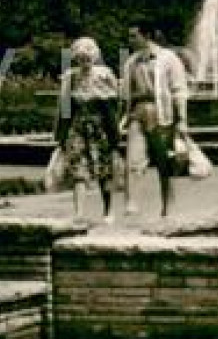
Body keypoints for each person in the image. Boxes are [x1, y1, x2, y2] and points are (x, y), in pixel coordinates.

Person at [122, 25, 191, 218]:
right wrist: (124, 116)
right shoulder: (131, 62)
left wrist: (182, 120)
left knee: (165, 162)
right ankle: (132, 204)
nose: (130, 40)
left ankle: (168, 207)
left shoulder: (168, 59)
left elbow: (179, 90)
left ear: (147, 36)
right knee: (133, 159)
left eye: (133, 36)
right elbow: (126, 93)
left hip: (161, 112)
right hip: (138, 111)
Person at [53, 37, 121, 224]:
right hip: (78, 127)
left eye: (89, 57)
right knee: (78, 170)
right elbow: (64, 108)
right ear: (76, 58)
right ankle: (79, 213)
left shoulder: (105, 75)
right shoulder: (70, 76)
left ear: (95, 57)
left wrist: (115, 134)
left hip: (100, 129)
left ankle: (108, 211)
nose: (85, 62)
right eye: (81, 58)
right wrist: (60, 135)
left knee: (104, 170)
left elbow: (116, 105)